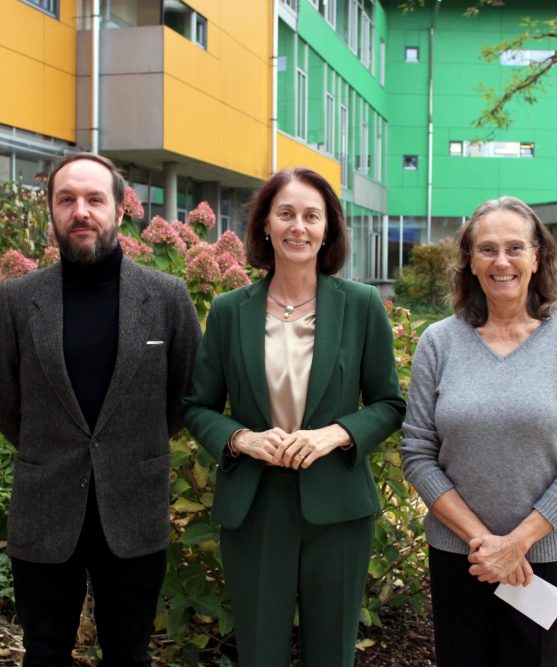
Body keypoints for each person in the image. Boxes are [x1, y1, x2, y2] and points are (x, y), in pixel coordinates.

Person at [0, 152, 202, 666]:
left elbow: (186, 393)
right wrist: (48, 445)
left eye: (94, 199)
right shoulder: (18, 299)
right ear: (52, 212)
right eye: (67, 200)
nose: (81, 210)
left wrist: (133, 444)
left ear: (120, 211)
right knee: (44, 652)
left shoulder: (166, 296)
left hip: (134, 504)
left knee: (129, 654)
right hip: (45, 506)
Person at [183, 167, 405, 666]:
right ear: (266, 224)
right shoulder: (228, 310)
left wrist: (336, 434)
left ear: (328, 229)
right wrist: (240, 438)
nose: (297, 227)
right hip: (255, 506)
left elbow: (390, 404)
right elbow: (197, 406)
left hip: (338, 507)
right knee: (260, 652)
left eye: (311, 215)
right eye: (285, 214)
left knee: (331, 653)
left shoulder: (363, 306)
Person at [401, 196, 557, 667]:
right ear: (470, 263)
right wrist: (486, 543)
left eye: (515, 248)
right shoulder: (439, 342)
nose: (502, 262)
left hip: (546, 556)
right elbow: (416, 452)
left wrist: (518, 543)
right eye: (487, 249)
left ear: (538, 258)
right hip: (461, 555)